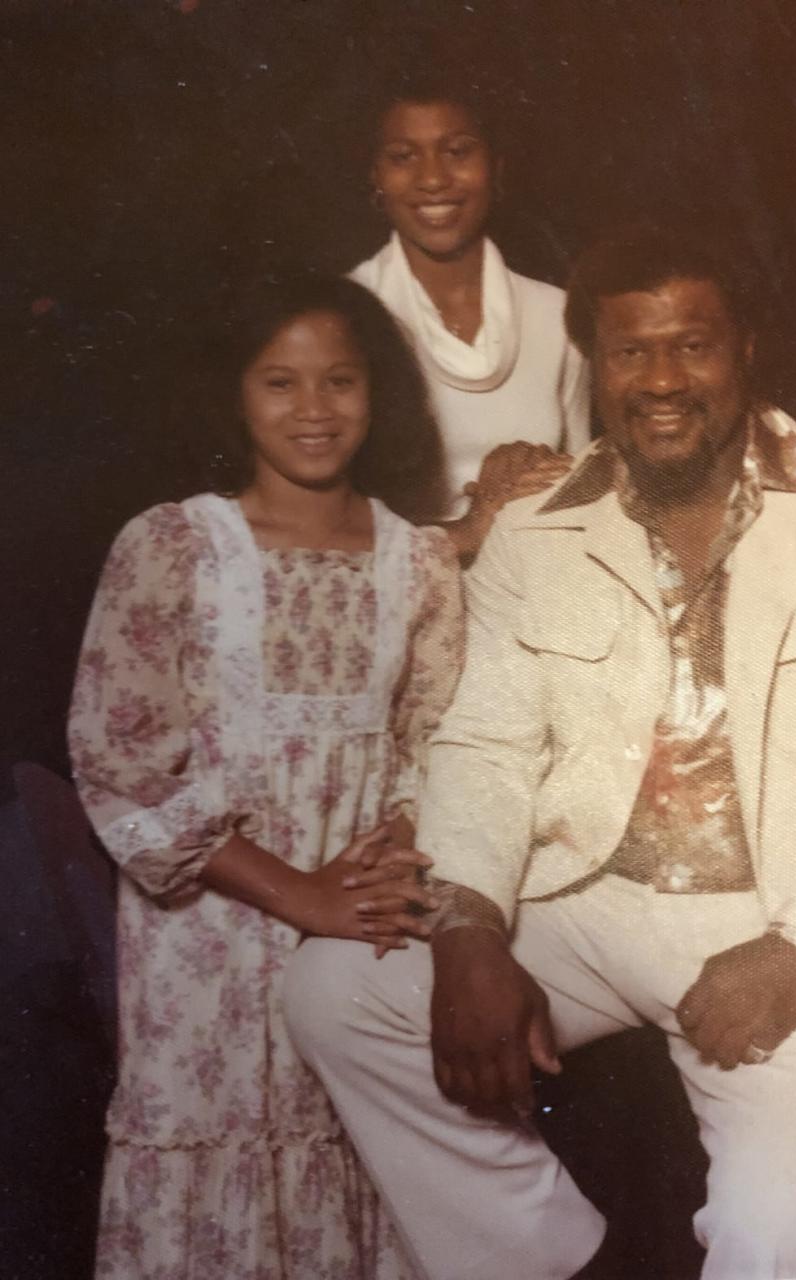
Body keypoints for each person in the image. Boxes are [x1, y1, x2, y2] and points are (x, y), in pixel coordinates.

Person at [283, 228, 796, 1280]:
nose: (661, 381)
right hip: (588, 893)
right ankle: (552, 1263)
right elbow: (487, 742)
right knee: (337, 991)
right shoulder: (538, 530)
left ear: (745, 349)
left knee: (773, 1236)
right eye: (631, 352)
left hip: (784, 913)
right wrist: (466, 930)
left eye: (691, 346)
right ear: (597, 366)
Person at [68, 275, 464, 1279]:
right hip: (206, 940)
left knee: (367, 1164)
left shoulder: (419, 562)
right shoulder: (170, 547)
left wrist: (399, 845)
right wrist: (301, 895)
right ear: (235, 394)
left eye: (339, 380)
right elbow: (122, 764)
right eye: (280, 382)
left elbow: (441, 740)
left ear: (377, 393)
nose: (314, 409)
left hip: (365, 929)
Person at [349, 77, 591, 560]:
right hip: (397, 601)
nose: (433, 179)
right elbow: (326, 522)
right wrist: (475, 520)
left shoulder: (557, 314)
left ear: (495, 168)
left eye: (457, 151)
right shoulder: (346, 314)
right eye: (403, 156)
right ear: (375, 175)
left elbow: (582, 498)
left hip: (533, 596)